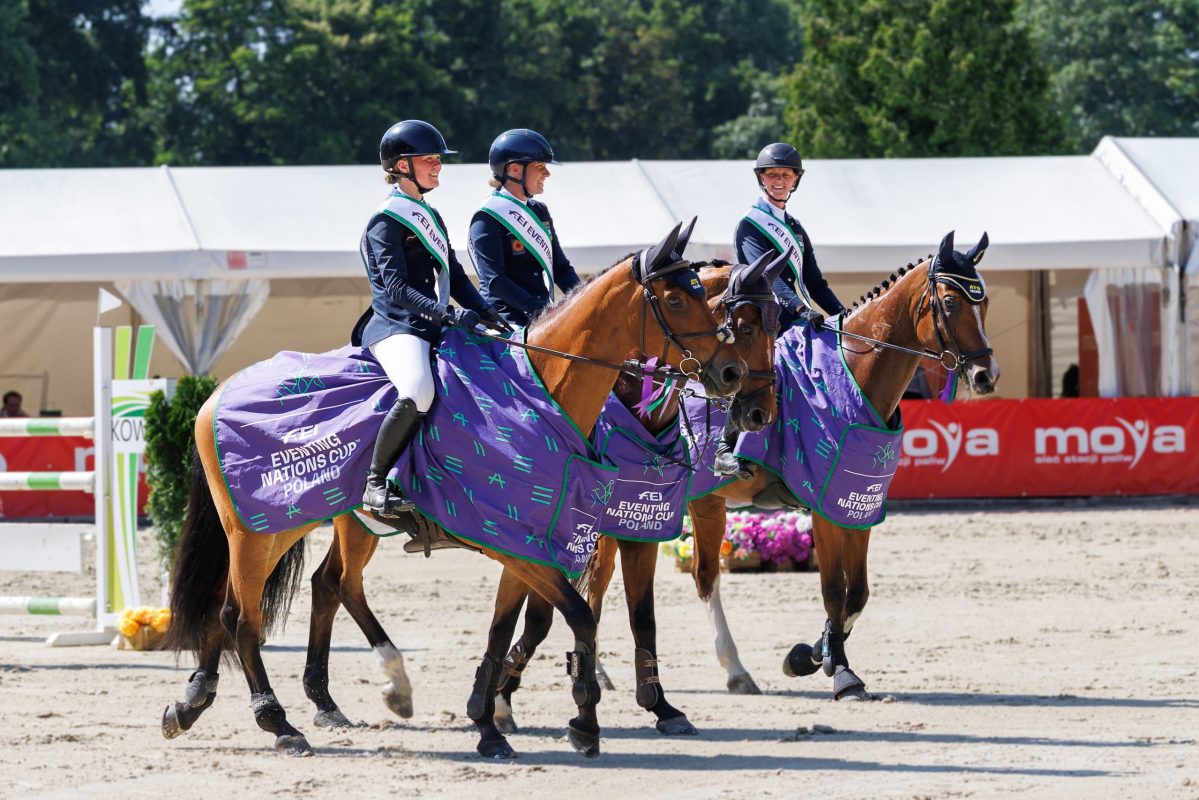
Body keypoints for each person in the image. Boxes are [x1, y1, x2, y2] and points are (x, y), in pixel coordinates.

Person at [356, 119, 508, 516]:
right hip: (395, 326)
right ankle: (375, 483)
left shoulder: (431, 216)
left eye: (438, 159)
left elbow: (454, 275)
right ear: (402, 166)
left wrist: (488, 313)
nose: (438, 166)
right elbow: (395, 288)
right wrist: (447, 314)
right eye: (429, 159)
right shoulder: (386, 221)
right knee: (420, 388)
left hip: (431, 322)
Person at [714, 142, 847, 477]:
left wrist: (841, 315)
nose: (779, 180)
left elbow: (814, 281)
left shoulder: (797, 229)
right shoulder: (750, 225)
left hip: (796, 318)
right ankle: (725, 448)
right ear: (762, 179)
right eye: (772, 174)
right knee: (758, 370)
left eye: (785, 175)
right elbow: (766, 278)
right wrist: (802, 309)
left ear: (794, 180)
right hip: (760, 319)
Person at [468, 129, 581, 328]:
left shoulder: (540, 211)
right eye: (540, 166)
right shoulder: (487, 217)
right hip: (505, 321)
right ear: (515, 170)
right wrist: (542, 310)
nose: (547, 173)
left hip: (541, 316)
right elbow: (495, 281)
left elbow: (561, 269)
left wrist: (585, 300)